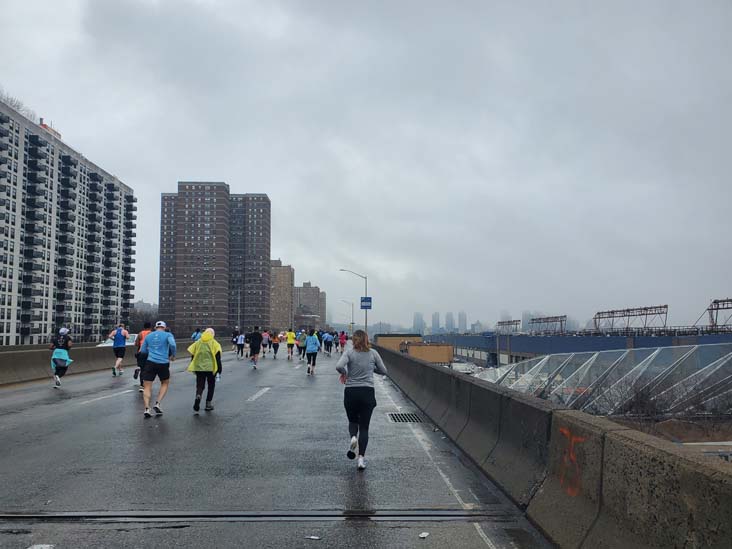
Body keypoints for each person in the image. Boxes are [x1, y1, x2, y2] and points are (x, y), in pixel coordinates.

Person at [335, 330, 388, 470]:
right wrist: (372, 370)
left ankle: (353, 437)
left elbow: (339, 366)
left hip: (351, 392)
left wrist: (345, 373)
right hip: (367, 392)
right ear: (366, 339)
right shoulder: (373, 353)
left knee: (353, 421)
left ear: (354, 339)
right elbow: (384, 371)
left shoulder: (349, 353)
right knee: (364, 427)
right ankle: (361, 459)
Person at [139, 321, 177, 418]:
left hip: (150, 362)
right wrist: (173, 355)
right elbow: (172, 345)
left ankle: (147, 408)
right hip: (163, 362)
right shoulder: (168, 334)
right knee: (165, 382)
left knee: (147, 386)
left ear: (155, 327)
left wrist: (151, 351)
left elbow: (142, 351)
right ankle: (157, 403)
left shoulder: (149, 336)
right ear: (164, 327)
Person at [187, 328, 222, 412]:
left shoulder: (198, 342)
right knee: (211, 385)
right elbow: (218, 359)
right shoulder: (215, 344)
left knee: (200, 385)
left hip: (199, 367)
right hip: (211, 368)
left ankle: (198, 396)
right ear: (213, 335)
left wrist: (193, 364)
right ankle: (208, 404)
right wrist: (219, 371)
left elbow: (192, 354)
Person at [134, 322, 153, 392]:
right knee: (150, 369)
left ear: (144, 327)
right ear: (150, 327)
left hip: (141, 353)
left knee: (142, 369)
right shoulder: (152, 334)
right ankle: (147, 384)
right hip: (150, 353)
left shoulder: (140, 333)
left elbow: (136, 344)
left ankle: (142, 385)